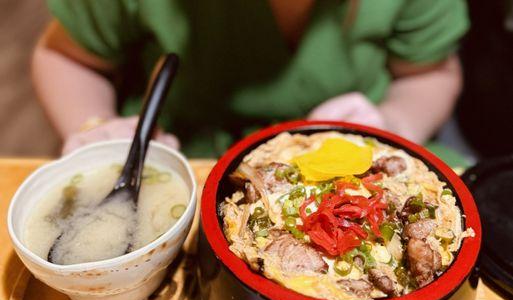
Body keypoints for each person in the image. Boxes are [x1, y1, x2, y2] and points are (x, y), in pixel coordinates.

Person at [32, 0, 468, 157]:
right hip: (185, 154)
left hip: (361, 154)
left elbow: (430, 73)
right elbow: (66, 57)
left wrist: (396, 121)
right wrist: (92, 125)